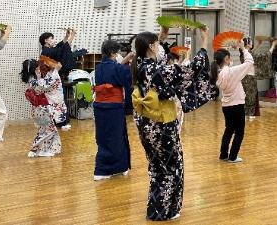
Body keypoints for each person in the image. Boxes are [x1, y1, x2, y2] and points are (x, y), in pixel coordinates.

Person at [131, 28, 217, 220]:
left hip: (146, 124)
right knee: (171, 167)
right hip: (162, 125)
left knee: (157, 167)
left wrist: (162, 36)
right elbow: (192, 69)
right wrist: (203, 42)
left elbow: (161, 63)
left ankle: (156, 209)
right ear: (152, 47)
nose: (160, 48)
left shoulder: (140, 65)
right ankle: (166, 211)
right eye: (157, 44)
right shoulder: (159, 70)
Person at [93, 40, 134, 181]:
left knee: (102, 137)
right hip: (114, 107)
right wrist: (130, 63)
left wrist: (126, 60)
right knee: (116, 137)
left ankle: (101, 168)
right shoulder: (118, 68)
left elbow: (114, 71)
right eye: (117, 52)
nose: (118, 55)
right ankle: (112, 169)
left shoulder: (99, 68)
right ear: (112, 53)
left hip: (99, 106)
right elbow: (125, 80)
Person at [210, 41, 254, 163]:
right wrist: (243, 48)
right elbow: (249, 62)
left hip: (227, 106)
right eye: (229, 58)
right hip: (237, 106)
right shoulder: (231, 72)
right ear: (226, 58)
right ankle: (233, 156)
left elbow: (229, 67)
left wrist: (231, 49)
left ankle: (223, 154)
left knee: (229, 130)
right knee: (239, 132)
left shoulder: (219, 73)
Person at [20, 58, 64, 157]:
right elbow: (48, 84)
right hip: (42, 110)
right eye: (38, 68)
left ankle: (45, 150)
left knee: (45, 130)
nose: (40, 69)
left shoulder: (34, 81)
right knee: (49, 130)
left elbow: (45, 82)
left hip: (38, 111)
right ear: (34, 70)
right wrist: (56, 70)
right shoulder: (35, 82)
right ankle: (35, 149)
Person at [39, 29, 77, 130]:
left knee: (56, 101)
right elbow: (62, 49)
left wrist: (66, 36)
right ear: (46, 40)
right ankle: (61, 123)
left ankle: (56, 122)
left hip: (51, 81)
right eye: (52, 38)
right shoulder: (47, 52)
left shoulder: (47, 51)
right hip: (53, 80)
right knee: (58, 101)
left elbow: (60, 48)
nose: (53, 40)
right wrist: (72, 36)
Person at [239, 37, 258, 120]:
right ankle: (249, 114)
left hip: (247, 77)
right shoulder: (245, 53)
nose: (252, 43)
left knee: (248, 95)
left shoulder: (246, 52)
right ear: (246, 44)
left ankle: (247, 114)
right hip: (249, 77)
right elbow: (252, 55)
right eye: (250, 42)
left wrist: (258, 45)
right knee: (250, 95)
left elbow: (251, 53)